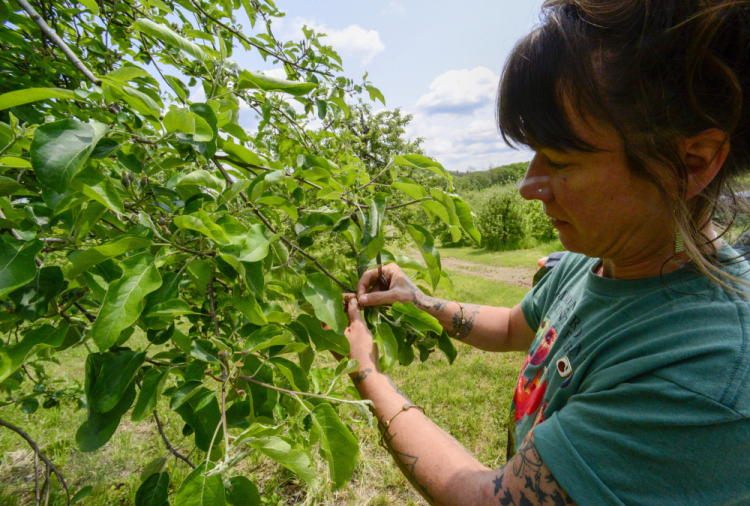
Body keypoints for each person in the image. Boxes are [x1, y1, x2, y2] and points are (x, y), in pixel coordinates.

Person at [338, 1, 750, 505]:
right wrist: (420, 301)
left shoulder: (701, 371)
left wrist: (370, 377)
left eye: (559, 159)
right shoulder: (596, 255)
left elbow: (487, 499)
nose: (529, 186)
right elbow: (517, 325)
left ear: (692, 162)